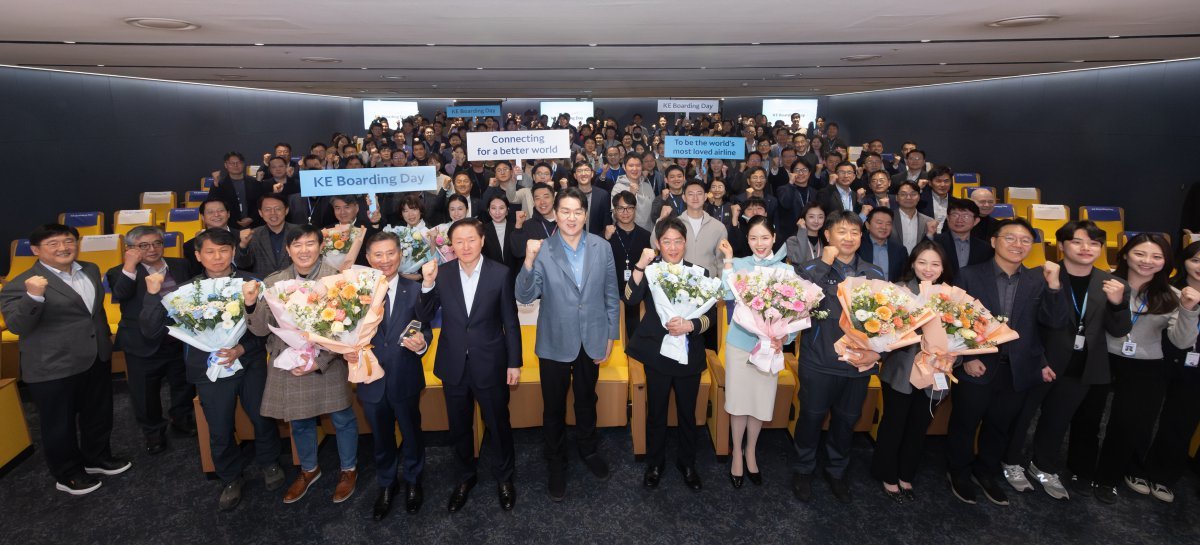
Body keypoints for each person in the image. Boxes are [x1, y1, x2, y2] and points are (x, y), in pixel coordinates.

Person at [139, 228, 284, 511]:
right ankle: (230, 477)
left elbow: (271, 328)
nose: (218, 257)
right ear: (198, 255)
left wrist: (242, 349)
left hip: (250, 363)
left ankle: (270, 463)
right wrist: (153, 295)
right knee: (218, 427)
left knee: (262, 416)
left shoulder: (252, 282)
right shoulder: (186, 291)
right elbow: (150, 330)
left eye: (224, 250)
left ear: (233, 252)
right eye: (210, 251)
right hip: (207, 369)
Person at [945, 218, 1069, 507]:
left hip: (1018, 367)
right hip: (979, 365)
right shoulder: (969, 275)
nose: (1018, 245)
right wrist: (968, 358)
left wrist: (1054, 286)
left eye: (1025, 240)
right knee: (965, 422)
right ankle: (958, 472)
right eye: (1010, 238)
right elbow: (951, 319)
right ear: (993, 241)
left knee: (1000, 425)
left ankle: (986, 471)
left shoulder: (1038, 279)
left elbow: (1053, 323)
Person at [1003, 221, 1130, 500]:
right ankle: (1010, 462)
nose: (1086, 248)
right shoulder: (1037, 276)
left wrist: (1118, 304)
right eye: (1078, 242)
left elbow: (1120, 330)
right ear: (1061, 246)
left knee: (1057, 420)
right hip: (1039, 360)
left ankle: (1043, 465)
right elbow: (1026, 325)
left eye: (1094, 243)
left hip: (1081, 367)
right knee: (1022, 416)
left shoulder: (1114, 284)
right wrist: (1037, 359)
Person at [0, 224, 128, 495]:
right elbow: (17, 325)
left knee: (98, 413)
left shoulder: (90, 269)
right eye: (53, 244)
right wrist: (34, 296)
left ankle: (97, 457)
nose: (63, 248)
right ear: (36, 250)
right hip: (53, 366)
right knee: (60, 423)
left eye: (68, 241)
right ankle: (67, 473)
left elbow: (93, 314)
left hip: (95, 356)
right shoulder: (20, 283)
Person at [515, 187, 620, 501]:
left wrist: (611, 336)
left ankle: (588, 450)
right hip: (555, 341)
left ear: (585, 215)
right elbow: (524, 296)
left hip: (593, 337)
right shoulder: (543, 249)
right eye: (565, 211)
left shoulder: (602, 247)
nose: (571, 217)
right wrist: (529, 260)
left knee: (587, 400)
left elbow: (611, 295)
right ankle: (556, 462)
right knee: (554, 408)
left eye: (577, 211)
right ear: (555, 214)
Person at [245, 225, 360, 505]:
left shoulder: (337, 280)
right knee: (300, 422)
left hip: (327, 362)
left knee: (343, 418)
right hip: (289, 362)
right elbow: (260, 331)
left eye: (310, 243)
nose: (304, 250)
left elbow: (346, 332)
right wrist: (250, 304)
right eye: (297, 245)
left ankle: (349, 470)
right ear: (288, 250)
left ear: (321, 246)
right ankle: (309, 469)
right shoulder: (273, 282)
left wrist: (316, 360)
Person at [418, 218, 523, 512]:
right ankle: (465, 477)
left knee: (498, 424)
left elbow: (510, 322)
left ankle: (505, 477)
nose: (465, 246)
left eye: (471, 240)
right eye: (459, 241)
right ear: (451, 245)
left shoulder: (500, 274)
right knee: (459, 427)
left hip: (490, 362)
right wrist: (426, 283)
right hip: (453, 364)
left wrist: (514, 362)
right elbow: (424, 314)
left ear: (482, 241)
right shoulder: (442, 273)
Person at [1090, 234, 1199, 504]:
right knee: (1086, 418)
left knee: (1126, 424)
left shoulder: (1173, 295)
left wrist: (1188, 310)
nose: (1147, 261)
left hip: (1145, 363)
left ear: (1166, 263)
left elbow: (1181, 341)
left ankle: (1107, 478)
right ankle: (1079, 469)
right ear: (1125, 254)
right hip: (1101, 356)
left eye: (1156, 256)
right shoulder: (1102, 282)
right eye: (1140, 254)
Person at [790, 211, 886, 504]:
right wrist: (825, 262)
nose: (848, 238)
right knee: (811, 417)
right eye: (841, 232)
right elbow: (797, 300)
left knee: (847, 421)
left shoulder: (874, 273)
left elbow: (886, 321)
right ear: (827, 235)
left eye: (854, 232)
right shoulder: (809, 268)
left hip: (857, 364)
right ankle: (803, 469)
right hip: (819, 361)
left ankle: (837, 470)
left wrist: (876, 352)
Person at [625, 217, 716, 490]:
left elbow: (710, 314)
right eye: (667, 242)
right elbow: (630, 298)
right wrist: (641, 264)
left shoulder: (699, 273)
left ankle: (687, 463)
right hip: (658, 355)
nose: (673, 247)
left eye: (678, 241)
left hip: (689, 351)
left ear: (685, 244)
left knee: (689, 413)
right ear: (657, 244)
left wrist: (691, 325)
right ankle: (655, 462)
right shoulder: (651, 271)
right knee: (657, 411)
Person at [870, 240, 953, 503]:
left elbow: (963, 336)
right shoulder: (898, 291)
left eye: (935, 264)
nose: (928, 269)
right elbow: (882, 335)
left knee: (919, 425)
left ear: (943, 267)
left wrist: (951, 355)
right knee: (894, 423)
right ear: (913, 264)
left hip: (935, 372)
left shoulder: (952, 296)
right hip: (901, 370)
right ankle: (887, 473)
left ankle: (906, 473)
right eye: (922, 262)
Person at [359, 231, 433, 519]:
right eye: (378, 254)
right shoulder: (352, 292)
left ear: (400, 255)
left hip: (405, 374)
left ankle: (414, 480)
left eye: (390, 253)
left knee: (412, 432)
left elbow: (424, 327)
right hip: (370, 377)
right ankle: (387, 484)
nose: (385, 260)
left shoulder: (414, 290)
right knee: (381, 437)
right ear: (368, 258)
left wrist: (422, 342)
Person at [717, 218, 795, 488]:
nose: (759, 244)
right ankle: (737, 451)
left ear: (774, 237)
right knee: (739, 402)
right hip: (740, 344)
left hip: (769, 347)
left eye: (764, 237)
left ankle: (752, 451)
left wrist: (785, 337)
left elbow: (797, 310)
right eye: (753, 238)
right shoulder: (739, 264)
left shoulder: (786, 271)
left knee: (760, 404)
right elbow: (725, 293)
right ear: (747, 240)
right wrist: (728, 261)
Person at [106, 226, 194, 454]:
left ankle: (181, 420)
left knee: (182, 384)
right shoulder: (120, 271)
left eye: (157, 243)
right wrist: (129, 265)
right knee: (145, 393)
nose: (152, 249)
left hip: (177, 338)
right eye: (144, 245)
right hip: (142, 342)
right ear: (131, 249)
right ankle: (154, 433)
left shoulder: (179, 265)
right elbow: (121, 295)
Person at [1140, 241, 1200, 502]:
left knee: (1181, 421)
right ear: (1184, 261)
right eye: (1196, 260)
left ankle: (1162, 475)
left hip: (1195, 368)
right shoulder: (1166, 290)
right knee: (1143, 415)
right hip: (1162, 358)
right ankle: (1133, 467)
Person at [605, 190, 652, 340]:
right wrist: (604, 238)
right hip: (612, 292)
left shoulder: (646, 236)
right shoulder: (607, 235)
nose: (625, 212)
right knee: (613, 337)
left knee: (636, 336)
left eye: (629, 208)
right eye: (620, 208)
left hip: (637, 294)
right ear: (614, 211)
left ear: (635, 209)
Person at [236, 193, 302, 277]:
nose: (273, 213)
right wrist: (243, 245)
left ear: (286, 210)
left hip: (296, 285)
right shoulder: (253, 235)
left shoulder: (300, 232)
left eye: (277, 209)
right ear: (260, 213)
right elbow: (243, 265)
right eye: (267, 209)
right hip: (264, 285)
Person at [929, 198, 993, 278]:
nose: (959, 220)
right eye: (955, 215)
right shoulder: (935, 242)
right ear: (948, 218)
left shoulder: (984, 248)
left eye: (966, 216)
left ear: (976, 221)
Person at [676, 179, 728, 277]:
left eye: (699, 194)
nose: (695, 198)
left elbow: (721, 261)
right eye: (690, 194)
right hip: (679, 282)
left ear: (705, 197)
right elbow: (657, 246)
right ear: (684, 197)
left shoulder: (718, 227)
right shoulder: (674, 224)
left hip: (708, 284)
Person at [209, 152, 268, 228]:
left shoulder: (254, 182)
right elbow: (212, 205)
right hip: (229, 226)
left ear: (243, 164)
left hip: (254, 225)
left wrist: (252, 218)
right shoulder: (219, 184)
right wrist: (215, 185)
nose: (235, 165)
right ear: (226, 165)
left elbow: (262, 202)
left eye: (238, 162)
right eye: (231, 163)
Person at [185, 199, 241, 276]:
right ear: (203, 217)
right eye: (210, 212)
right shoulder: (190, 245)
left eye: (221, 211)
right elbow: (195, 275)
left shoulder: (244, 237)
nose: (216, 214)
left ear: (228, 214)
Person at [857, 207, 908, 282]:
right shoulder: (858, 246)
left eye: (888, 224)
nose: (884, 227)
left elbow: (905, 276)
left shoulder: (900, 250)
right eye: (879, 223)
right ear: (867, 225)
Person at [776, 158, 818, 244]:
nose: (801, 173)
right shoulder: (783, 189)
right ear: (792, 173)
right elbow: (786, 204)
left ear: (809, 173)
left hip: (811, 234)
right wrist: (790, 183)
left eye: (804, 170)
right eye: (797, 170)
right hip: (790, 236)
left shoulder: (814, 192)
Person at [612, 153, 656, 232]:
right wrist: (631, 195)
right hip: (628, 233)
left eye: (638, 165)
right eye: (631, 165)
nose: (635, 169)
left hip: (648, 233)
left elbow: (653, 211)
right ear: (624, 167)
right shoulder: (618, 188)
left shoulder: (647, 186)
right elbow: (614, 215)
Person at [481, 194, 520, 277]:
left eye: (501, 208)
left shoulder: (516, 228)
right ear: (489, 210)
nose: (497, 212)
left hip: (514, 277)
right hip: (491, 276)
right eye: (493, 208)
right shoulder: (482, 230)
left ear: (507, 210)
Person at [569, 161, 611, 236]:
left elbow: (606, 222)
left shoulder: (603, 195)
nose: (583, 174)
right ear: (575, 175)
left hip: (597, 240)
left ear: (592, 174)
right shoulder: (569, 195)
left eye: (587, 170)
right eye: (579, 171)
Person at [890, 181, 933, 254]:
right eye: (903, 194)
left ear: (919, 197)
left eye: (913, 194)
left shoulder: (928, 221)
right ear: (896, 197)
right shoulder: (889, 218)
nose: (908, 197)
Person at [785, 202, 826, 272]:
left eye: (820, 217)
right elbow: (799, 260)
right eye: (811, 217)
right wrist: (802, 230)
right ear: (803, 218)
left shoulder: (826, 242)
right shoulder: (792, 240)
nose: (816, 221)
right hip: (799, 281)